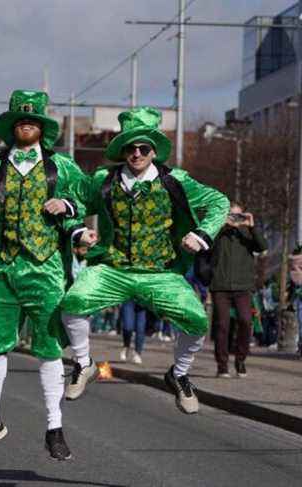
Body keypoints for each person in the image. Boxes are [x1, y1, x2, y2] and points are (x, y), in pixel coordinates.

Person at [60, 107, 229, 414]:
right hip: (113, 268)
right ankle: (84, 364)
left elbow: (219, 202)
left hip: (160, 273)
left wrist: (202, 234)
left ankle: (178, 375)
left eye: (143, 148)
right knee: (74, 301)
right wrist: (78, 230)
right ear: (123, 150)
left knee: (196, 320)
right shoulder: (105, 180)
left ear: (153, 151)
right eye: (130, 148)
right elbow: (74, 199)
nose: (136, 154)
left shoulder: (175, 182)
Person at [0, 90, 90, 461]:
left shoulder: (61, 167)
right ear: (12, 126)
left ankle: (54, 427)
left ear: (42, 127)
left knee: (48, 349)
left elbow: (87, 198)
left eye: (33, 121)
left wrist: (68, 207)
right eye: (20, 120)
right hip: (1, 266)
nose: (26, 125)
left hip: (45, 269)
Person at [209, 201, 267, 378]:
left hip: (243, 285)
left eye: (238, 215)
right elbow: (207, 245)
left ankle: (240, 360)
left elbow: (262, 247)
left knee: (245, 321)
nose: (235, 219)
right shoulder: (219, 232)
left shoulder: (247, 233)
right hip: (220, 285)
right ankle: (222, 365)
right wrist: (221, 225)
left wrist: (251, 226)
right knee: (223, 325)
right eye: (231, 215)